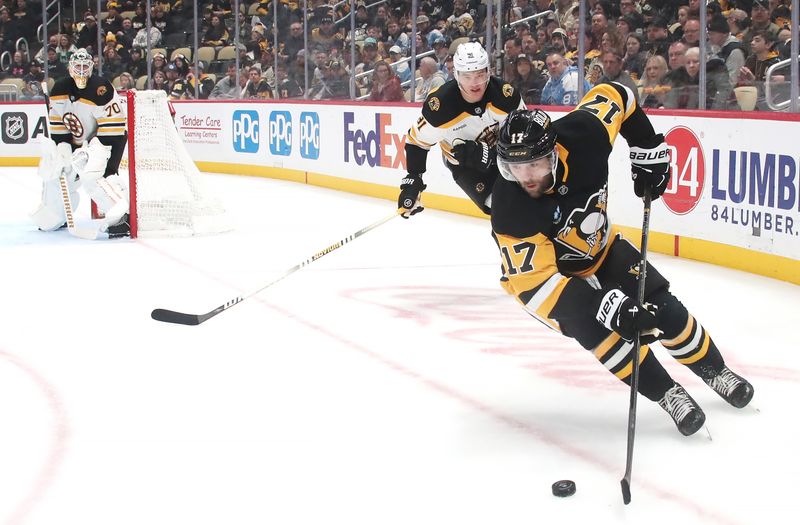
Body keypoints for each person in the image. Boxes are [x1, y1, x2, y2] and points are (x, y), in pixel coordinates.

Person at [490, 83, 754, 436]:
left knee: (664, 308)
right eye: (514, 168)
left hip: (602, 247)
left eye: (535, 164)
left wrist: (646, 146)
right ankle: (668, 394)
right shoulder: (510, 209)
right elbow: (536, 287)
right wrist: (607, 306)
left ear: (553, 153)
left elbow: (618, 95)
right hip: (557, 284)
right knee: (607, 335)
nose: (525, 178)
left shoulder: (585, 135)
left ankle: (715, 371)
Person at [398, 42, 525, 219]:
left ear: (488, 71)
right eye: (467, 76)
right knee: (503, 209)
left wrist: (493, 154)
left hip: (505, 155)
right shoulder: (441, 106)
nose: (474, 83)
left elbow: (524, 133)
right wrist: (413, 178)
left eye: (480, 74)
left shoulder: (505, 95)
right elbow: (417, 142)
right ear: (456, 75)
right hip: (465, 166)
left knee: (531, 198)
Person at [31, 48, 130, 238]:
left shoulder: (101, 88)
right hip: (78, 141)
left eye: (86, 66)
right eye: (78, 66)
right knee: (56, 173)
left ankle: (122, 217)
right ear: (70, 68)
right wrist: (62, 146)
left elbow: (114, 125)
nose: (82, 70)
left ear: (92, 68)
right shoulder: (60, 89)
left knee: (93, 177)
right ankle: (54, 216)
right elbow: (58, 120)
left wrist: (92, 148)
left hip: (106, 139)